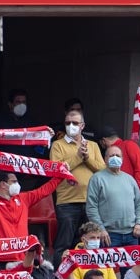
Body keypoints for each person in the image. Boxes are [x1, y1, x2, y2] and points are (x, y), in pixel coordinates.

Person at [49, 109, 105, 260]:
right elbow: (56, 169)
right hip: (67, 202)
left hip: (91, 202)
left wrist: (87, 158)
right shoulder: (57, 145)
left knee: (92, 242)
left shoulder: (92, 145)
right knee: (64, 243)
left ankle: (89, 275)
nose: (71, 126)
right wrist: (78, 157)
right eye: (67, 123)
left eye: (75, 123)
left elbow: (102, 169)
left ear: (82, 126)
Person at [0, 146, 60, 240]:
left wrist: (60, 175)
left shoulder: (23, 198)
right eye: (14, 182)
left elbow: (44, 191)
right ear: (3, 184)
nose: (17, 185)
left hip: (21, 254)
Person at [85, 143, 140, 247]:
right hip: (109, 235)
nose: (115, 158)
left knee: (133, 264)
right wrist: (101, 230)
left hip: (132, 235)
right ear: (105, 159)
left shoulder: (130, 179)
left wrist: (139, 224)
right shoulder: (97, 179)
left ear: (122, 159)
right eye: (111, 156)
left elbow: (139, 205)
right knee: (109, 264)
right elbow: (91, 208)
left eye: (118, 156)